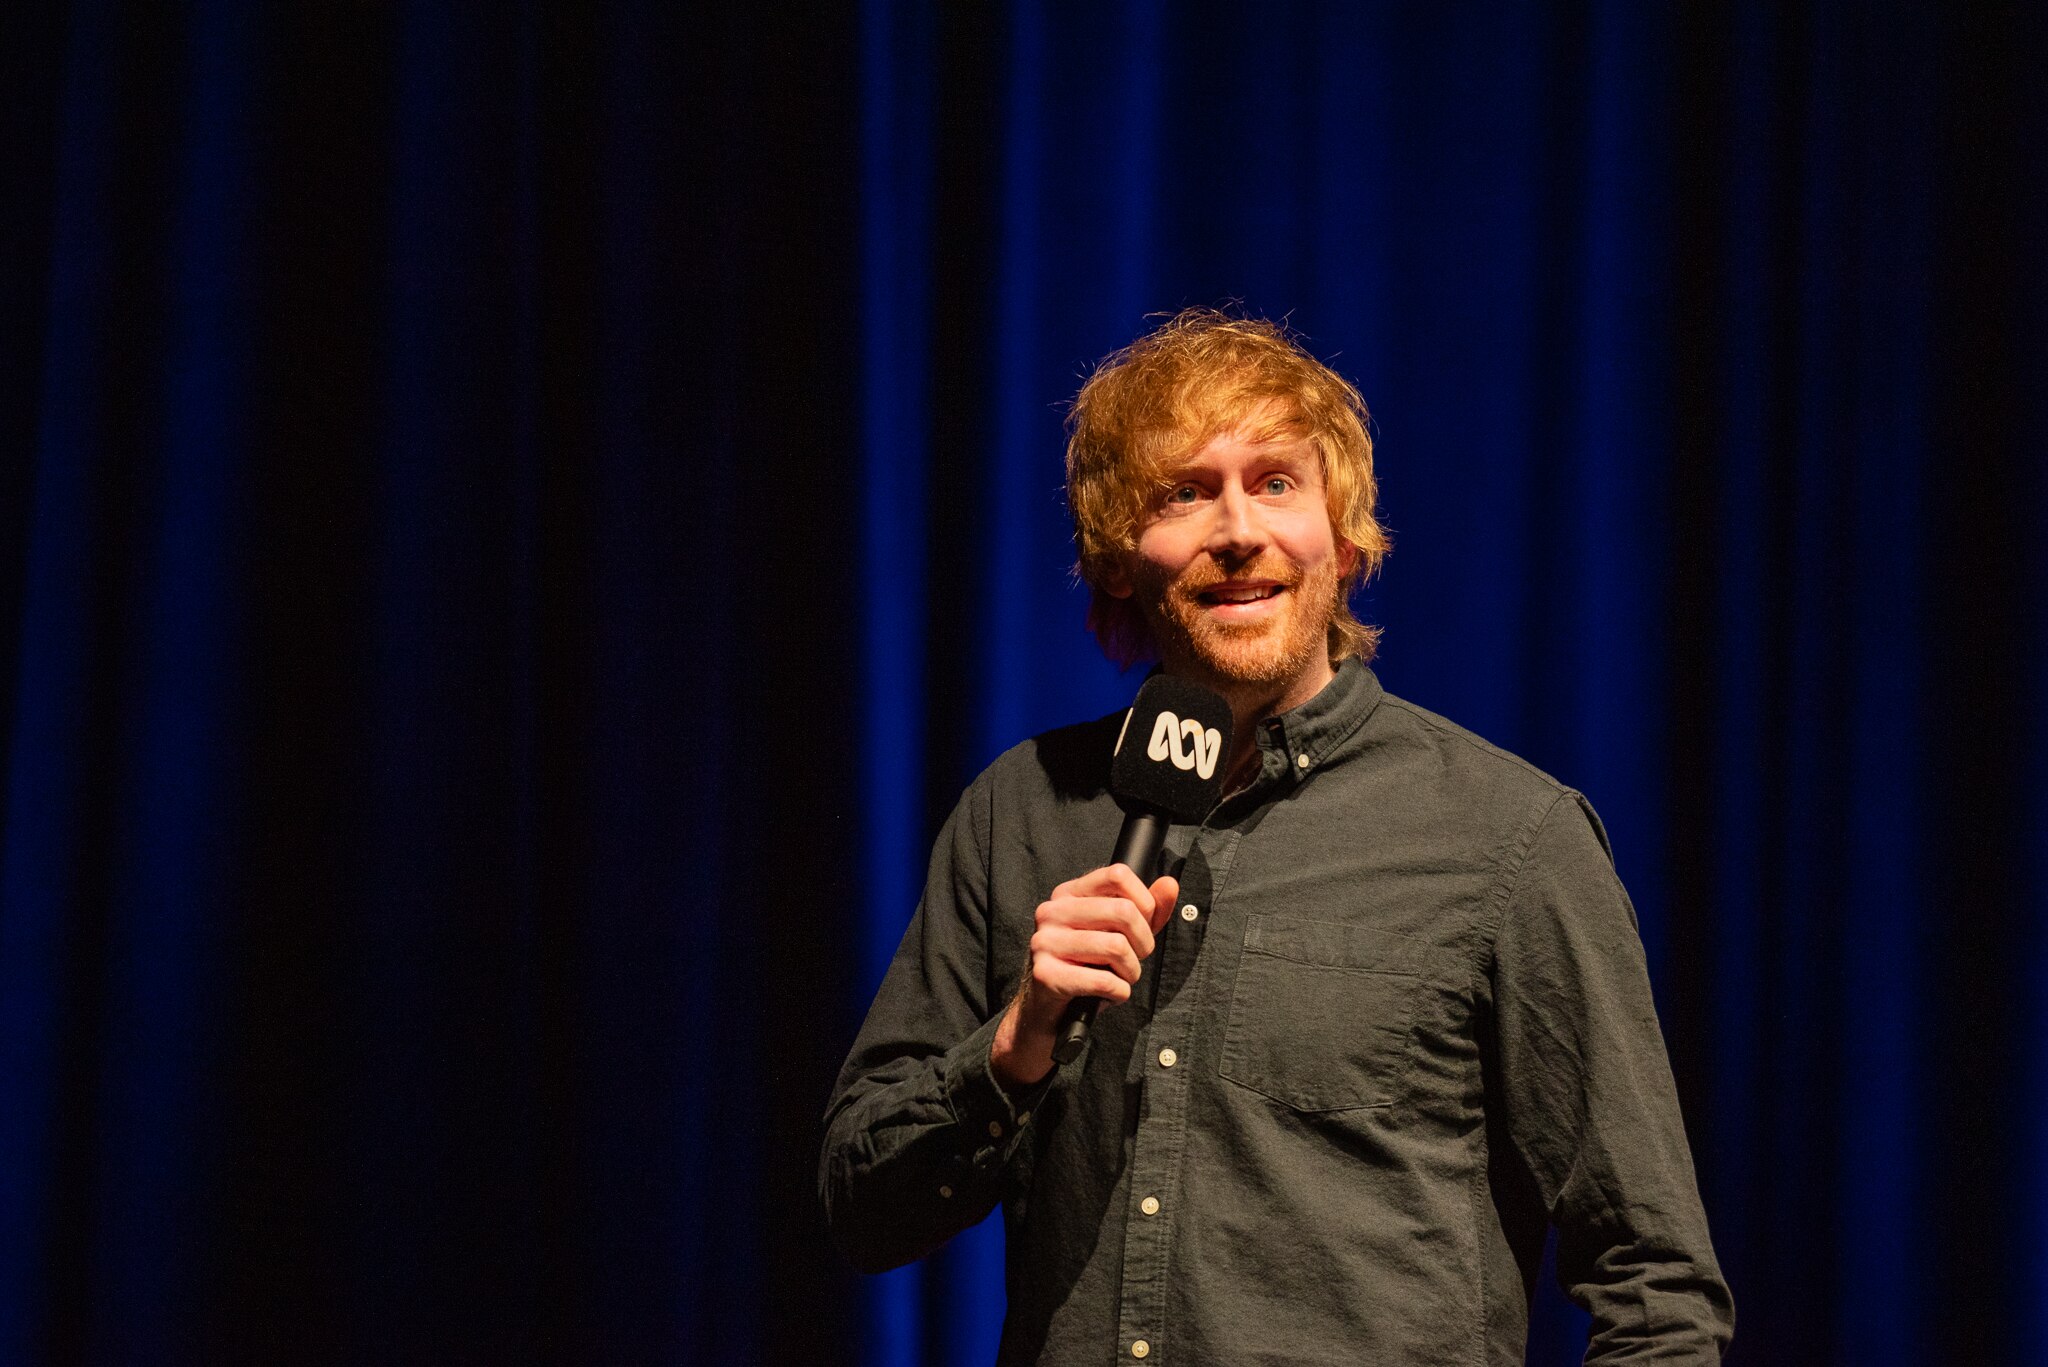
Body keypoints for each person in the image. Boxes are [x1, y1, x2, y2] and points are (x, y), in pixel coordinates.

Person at [820, 310, 1733, 1364]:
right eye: (1184, 490)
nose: (1236, 527)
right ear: (1119, 556)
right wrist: (1014, 1046)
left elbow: (1653, 1285)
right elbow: (861, 1207)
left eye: (1275, 482)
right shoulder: (1020, 810)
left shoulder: (1507, 837)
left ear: (1342, 542)